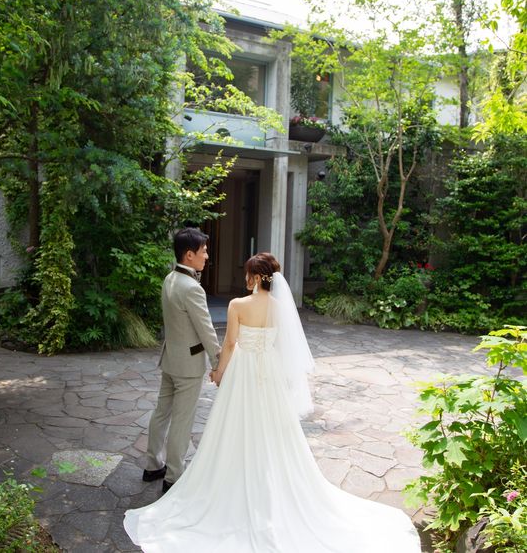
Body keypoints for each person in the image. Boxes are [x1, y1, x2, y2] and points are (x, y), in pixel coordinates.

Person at [125, 253, 421, 552]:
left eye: (247, 273)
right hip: (269, 373)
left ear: (255, 277)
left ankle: (233, 480)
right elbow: (281, 345)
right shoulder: (280, 307)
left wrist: (219, 371)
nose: (245, 277)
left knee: (234, 426)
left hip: (243, 372)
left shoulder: (238, 305)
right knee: (272, 429)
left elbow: (230, 343)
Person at [142, 228, 221, 494]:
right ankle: (174, 476)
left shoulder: (170, 279)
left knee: (161, 412)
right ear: (189, 255)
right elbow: (206, 329)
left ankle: (152, 466)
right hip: (188, 366)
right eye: (203, 251)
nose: (206, 256)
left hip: (170, 359)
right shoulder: (192, 288)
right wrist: (218, 361)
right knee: (182, 421)